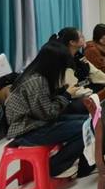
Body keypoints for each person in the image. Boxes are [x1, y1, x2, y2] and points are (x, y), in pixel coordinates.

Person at [5, 41, 93, 178]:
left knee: (89, 120)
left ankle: (84, 164)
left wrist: (62, 92)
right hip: (29, 130)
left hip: (37, 123)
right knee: (87, 127)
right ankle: (55, 167)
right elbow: (48, 113)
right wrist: (67, 95)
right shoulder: (36, 81)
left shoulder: (35, 75)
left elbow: (45, 108)